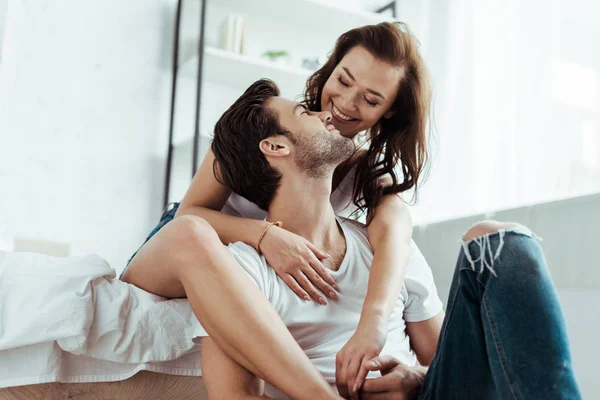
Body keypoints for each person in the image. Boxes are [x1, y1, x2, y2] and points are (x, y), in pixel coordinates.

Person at [202, 80, 582, 399]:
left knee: (498, 241)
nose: (327, 114)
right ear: (275, 147)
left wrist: (416, 378)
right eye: (306, 114)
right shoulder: (240, 268)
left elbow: (441, 357)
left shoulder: (383, 246)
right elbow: (235, 396)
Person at [122, 21, 430, 398]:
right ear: (329, 70)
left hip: (249, 269)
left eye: (370, 99)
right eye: (344, 81)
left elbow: (396, 230)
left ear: (388, 112)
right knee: (195, 237)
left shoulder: (359, 168)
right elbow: (192, 215)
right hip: (201, 238)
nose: (346, 104)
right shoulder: (261, 129)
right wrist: (265, 235)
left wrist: (373, 324)